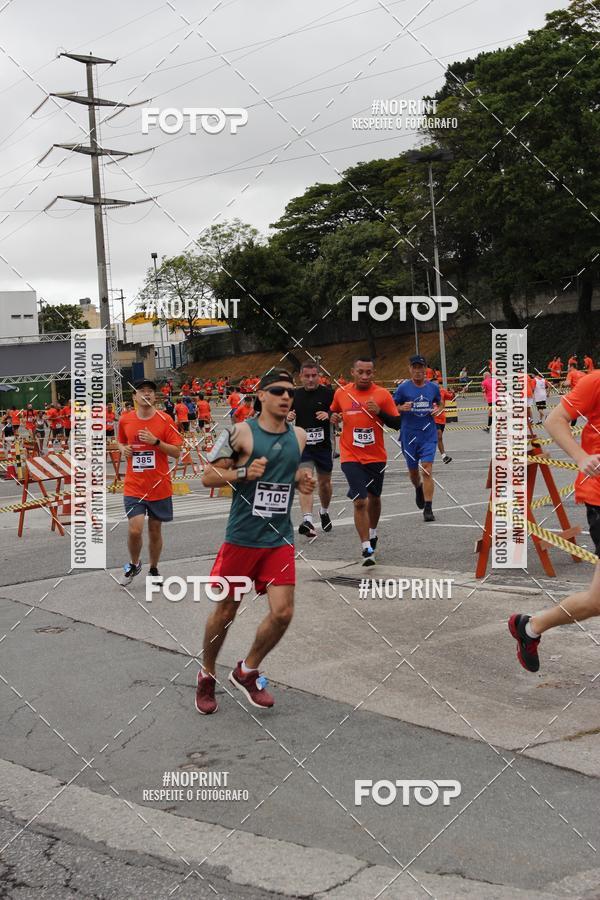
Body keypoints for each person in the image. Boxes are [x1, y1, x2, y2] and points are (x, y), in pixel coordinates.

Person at [196, 369, 315, 715]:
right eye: (277, 390)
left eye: (290, 392)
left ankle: (246, 670)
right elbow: (207, 477)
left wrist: (301, 481)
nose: (286, 397)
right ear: (260, 395)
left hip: (278, 538)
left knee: (283, 612)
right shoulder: (238, 433)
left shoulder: (301, 436)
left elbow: (287, 472)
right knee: (226, 611)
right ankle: (206, 674)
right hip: (242, 539)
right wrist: (244, 473)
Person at [509, 371, 600, 672]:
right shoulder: (595, 381)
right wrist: (580, 456)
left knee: (596, 601)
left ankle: (531, 627)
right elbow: (553, 420)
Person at [330, 358, 401, 565]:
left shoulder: (382, 394)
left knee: (374, 497)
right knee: (361, 500)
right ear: (352, 372)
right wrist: (334, 417)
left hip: (376, 456)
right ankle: (366, 547)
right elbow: (334, 410)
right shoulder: (341, 392)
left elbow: (397, 424)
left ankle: (373, 531)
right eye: (360, 372)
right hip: (350, 455)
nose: (364, 376)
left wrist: (380, 412)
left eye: (368, 372)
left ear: (374, 373)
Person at [117, 380, 182, 585]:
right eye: (141, 392)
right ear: (135, 397)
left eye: (150, 392)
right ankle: (134, 564)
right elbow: (120, 440)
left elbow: (177, 451)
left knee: (155, 530)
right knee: (135, 529)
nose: (146, 394)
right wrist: (122, 449)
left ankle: (154, 569)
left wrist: (156, 442)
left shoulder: (165, 419)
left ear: (155, 397)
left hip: (159, 485)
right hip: (134, 486)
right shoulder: (125, 420)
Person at [393, 356, 445, 522]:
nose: (418, 371)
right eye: (414, 367)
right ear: (410, 369)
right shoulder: (403, 389)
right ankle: (418, 487)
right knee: (414, 472)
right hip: (409, 435)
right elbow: (391, 407)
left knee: (427, 469)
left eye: (421, 367)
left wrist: (439, 409)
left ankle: (428, 508)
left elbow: (440, 402)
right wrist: (401, 407)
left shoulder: (433, 387)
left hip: (428, 435)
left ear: (425, 369)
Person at [288, 361, 335, 538]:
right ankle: (307, 520)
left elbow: (341, 413)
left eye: (314, 376)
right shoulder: (293, 395)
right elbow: (282, 413)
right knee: (306, 479)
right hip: (303, 446)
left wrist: (329, 415)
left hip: (324, 446)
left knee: (324, 484)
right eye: (306, 376)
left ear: (319, 376)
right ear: (300, 377)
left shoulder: (329, 394)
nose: (310, 379)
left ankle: (324, 511)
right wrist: (288, 415)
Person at [431, 376, 454, 464]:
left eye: (438, 384)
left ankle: (443, 456)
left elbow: (451, 397)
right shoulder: (428, 393)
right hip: (433, 419)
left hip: (442, 419)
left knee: (439, 438)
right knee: (439, 435)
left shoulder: (442, 391)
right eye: (435, 384)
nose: (437, 385)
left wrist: (453, 393)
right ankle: (443, 455)